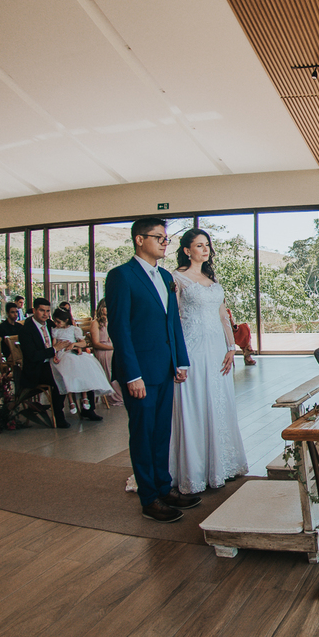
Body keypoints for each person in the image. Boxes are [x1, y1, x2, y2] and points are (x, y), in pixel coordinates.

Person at [105, 218, 196, 524]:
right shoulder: (122, 276)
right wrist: (132, 375)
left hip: (164, 368)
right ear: (139, 240)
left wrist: (179, 361)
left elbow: (172, 323)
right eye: (158, 237)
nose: (164, 243)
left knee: (161, 433)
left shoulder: (166, 276)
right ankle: (149, 498)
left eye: (166, 239)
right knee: (143, 434)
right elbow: (120, 328)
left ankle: (163, 487)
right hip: (140, 373)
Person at [169, 228, 248, 494]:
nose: (205, 249)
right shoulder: (177, 278)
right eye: (199, 245)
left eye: (207, 245)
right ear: (187, 250)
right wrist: (178, 357)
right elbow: (173, 320)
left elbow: (224, 317)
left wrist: (230, 347)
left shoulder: (212, 281)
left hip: (217, 351)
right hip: (193, 350)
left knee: (219, 403)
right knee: (196, 404)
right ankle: (195, 470)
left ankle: (222, 464)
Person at [18, 298, 73, 429]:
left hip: (53, 362)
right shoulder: (26, 329)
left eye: (48, 311)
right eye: (42, 310)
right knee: (60, 377)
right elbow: (32, 356)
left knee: (79, 369)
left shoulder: (50, 324)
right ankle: (59, 416)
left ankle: (87, 408)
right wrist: (54, 349)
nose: (45, 314)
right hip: (37, 368)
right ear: (34, 310)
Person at [48, 309, 107, 420]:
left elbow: (84, 342)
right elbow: (54, 345)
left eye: (58, 321)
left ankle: (87, 403)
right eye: (55, 321)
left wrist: (75, 345)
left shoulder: (74, 329)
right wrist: (55, 353)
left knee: (85, 369)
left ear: (66, 320)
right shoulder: (55, 330)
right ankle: (71, 401)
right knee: (68, 374)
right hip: (62, 355)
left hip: (73, 352)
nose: (56, 324)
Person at [89, 299, 122, 405]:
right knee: (111, 369)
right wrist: (112, 348)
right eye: (105, 307)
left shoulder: (113, 320)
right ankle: (114, 396)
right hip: (103, 350)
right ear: (101, 308)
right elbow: (96, 343)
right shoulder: (96, 323)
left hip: (114, 349)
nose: (107, 309)